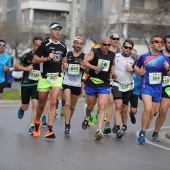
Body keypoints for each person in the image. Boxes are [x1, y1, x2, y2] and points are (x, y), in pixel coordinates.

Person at [32, 22, 67, 139]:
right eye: (55, 29)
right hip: (45, 78)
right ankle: (37, 123)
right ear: (50, 31)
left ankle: (49, 129)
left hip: (57, 77)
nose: (58, 31)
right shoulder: (44, 45)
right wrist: (47, 58)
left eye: (59, 29)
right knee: (41, 104)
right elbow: (35, 59)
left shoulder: (63, 46)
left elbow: (64, 58)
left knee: (53, 102)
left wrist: (65, 64)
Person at [135, 35, 170, 144]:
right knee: (148, 109)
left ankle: (149, 128)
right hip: (146, 86)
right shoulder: (144, 57)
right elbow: (135, 67)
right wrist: (139, 72)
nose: (159, 43)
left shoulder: (165, 59)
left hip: (158, 88)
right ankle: (142, 132)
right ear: (151, 44)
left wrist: (167, 69)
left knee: (154, 112)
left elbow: (169, 74)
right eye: (157, 41)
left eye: (161, 42)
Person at [81, 37, 115, 141]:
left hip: (104, 83)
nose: (107, 47)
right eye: (105, 45)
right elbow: (84, 62)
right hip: (92, 82)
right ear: (100, 44)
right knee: (90, 106)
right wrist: (94, 67)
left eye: (109, 45)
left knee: (101, 107)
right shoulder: (94, 52)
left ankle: (98, 130)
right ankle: (87, 117)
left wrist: (113, 73)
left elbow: (112, 65)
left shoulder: (112, 54)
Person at [14, 36, 43, 135]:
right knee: (25, 106)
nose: (38, 47)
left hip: (37, 84)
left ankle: (32, 126)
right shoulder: (27, 55)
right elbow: (16, 65)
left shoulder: (44, 57)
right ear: (33, 45)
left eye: (40, 45)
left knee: (35, 104)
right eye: (36, 45)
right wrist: (26, 69)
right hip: (26, 84)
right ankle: (22, 108)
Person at [112, 39, 136, 139]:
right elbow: (111, 65)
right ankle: (117, 127)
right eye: (125, 47)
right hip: (117, 84)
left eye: (129, 48)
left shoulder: (134, 59)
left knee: (124, 108)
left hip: (128, 86)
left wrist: (133, 70)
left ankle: (123, 125)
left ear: (131, 49)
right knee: (118, 106)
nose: (127, 49)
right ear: (122, 47)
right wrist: (112, 73)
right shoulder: (115, 56)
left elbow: (140, 72)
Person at [148, 34, 170, 142]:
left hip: (168, 87)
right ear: (165, 43)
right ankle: (145, 126)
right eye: (169, 43)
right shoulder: (158, 54)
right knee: (153, 111)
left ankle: (156, 132)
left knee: (163, 110)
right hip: (155, 84)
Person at [62, 36, 85, 134]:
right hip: (67, 82)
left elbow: (87, 69)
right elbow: (62, 65)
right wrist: (64, 65)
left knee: (72, 106)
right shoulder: (68, 55)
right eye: (77, 43)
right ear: (74, 44)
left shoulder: (84, 56)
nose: (78, 45)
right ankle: (67, 125)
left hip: (77, 84)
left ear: (82, 45)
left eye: (80, 44)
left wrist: (84, 67)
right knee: (67, 103)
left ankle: (68, 120)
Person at [103, 33, 120, 134]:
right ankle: (107, 124)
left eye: (118, 39)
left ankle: (112, 124)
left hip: (118, 80)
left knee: (116, 103)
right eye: (114, 39)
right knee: (109, 101)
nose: (116, 40)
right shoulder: (106, 51)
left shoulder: (120, 52)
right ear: (110, 40)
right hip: (107, 79)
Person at [121, 48, 140, 128]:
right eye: (131, 54)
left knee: (133, 110)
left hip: (135, 90)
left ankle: (131, 114)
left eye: (134, 55)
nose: (132, 56)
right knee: (124, 108)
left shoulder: (139, 66)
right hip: (125, 89)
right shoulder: (124, 64)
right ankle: (124, 125)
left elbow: (141, 76)